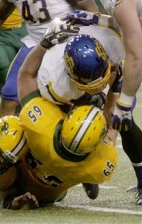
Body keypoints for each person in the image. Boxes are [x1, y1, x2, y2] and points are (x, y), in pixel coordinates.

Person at [63, 0, 142, 205]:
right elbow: (128, 22)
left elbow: (137, 55)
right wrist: (97, 19)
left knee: (125, 114)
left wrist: (125, 103)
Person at [16, 23, 118, 202]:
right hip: (56, 191)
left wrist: (43, 45)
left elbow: (25, 76)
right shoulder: (99, 167)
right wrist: (114, 93)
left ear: (65, 123)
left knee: (12, 147)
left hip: (37, 175)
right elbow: (111, 126)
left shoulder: (40, 125)